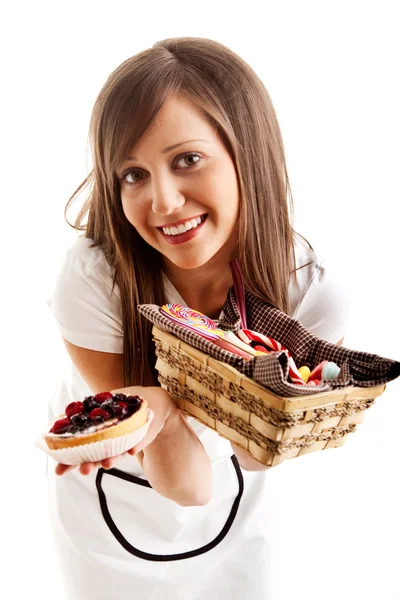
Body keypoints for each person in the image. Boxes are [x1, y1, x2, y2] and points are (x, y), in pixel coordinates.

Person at [46, 37, 349, 599]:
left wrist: (175, 404)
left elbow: (254, 459)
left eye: (186, 159)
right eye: (132, 174)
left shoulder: (307, 289)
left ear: (247, 153)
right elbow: (183, 484)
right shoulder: (93, 281)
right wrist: (154, 411)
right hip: (114, 496)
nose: (162, 202)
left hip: (236, 494)